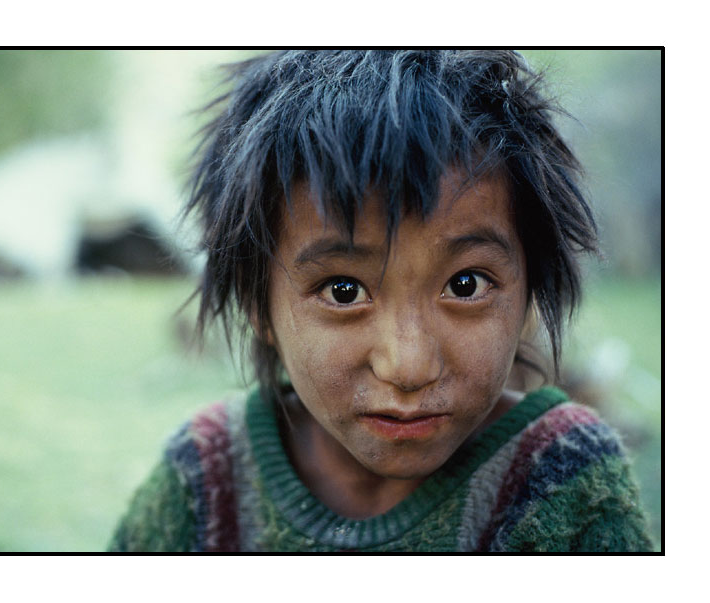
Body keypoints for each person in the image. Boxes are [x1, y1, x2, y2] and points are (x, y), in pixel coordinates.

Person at [109, 50, 653, 552]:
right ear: (258, 306)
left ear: (529, 292)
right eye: (343, 291)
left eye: (466, 285)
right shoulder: (205, 479)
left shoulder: (561, 480)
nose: (408, 365)